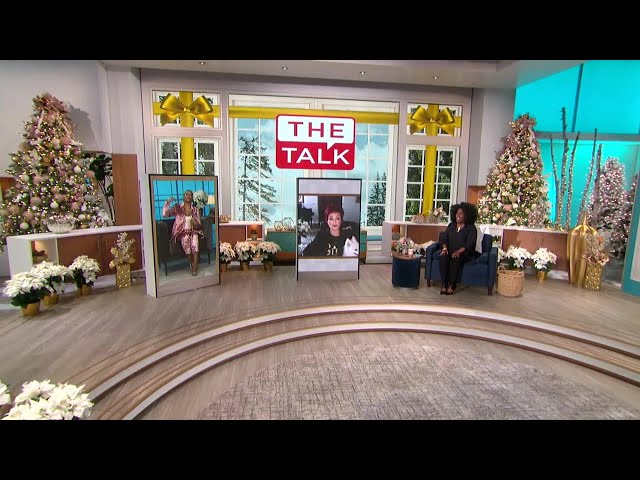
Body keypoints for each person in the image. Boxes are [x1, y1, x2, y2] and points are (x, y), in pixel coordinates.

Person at [438, 202, 479, 295]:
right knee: (443, 257)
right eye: (457, 213)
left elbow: (470, 243)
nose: (458, 215)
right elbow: (444, 237)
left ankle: (452, 284)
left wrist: (458, 252)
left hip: (464, 253)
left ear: (466, 215)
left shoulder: (471, 228)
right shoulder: (451, 225)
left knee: (455, 258)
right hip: (450, 250)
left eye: (461, 213)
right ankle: (444, 283)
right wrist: (444, 248)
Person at [162, 190, 204, 276]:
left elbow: (199, 225)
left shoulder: (195, 210)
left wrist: (195, 223)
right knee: (187, 247)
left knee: (195, 245)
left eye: (190, 195)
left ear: (192, 198)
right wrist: (167, 202)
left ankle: (195, 266)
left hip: (193, 231)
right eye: (186, 194)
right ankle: (191, 262)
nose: (188, 196)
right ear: (183, 196)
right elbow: (165, 214)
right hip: (182, 232)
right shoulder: (177, 208)